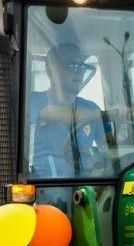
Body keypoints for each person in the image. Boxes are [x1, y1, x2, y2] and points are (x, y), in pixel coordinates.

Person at [30, 42, 109, 179]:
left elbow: (109, 146)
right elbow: (62, 114)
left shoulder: (91, 108)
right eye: (71, 66)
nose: (79, 72)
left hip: (84, 185)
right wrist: (105, 114)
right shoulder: (34, 101)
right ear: (51, 70)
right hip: (46, 185)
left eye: (81, 66)